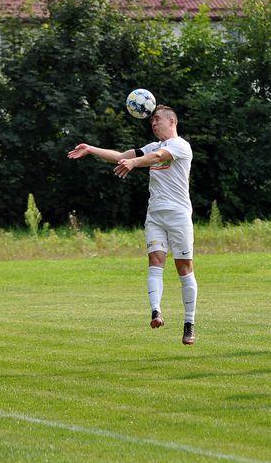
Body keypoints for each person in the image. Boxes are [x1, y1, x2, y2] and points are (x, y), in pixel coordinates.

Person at [68, 105, 199, 345]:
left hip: (178, 215)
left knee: (184, 268)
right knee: (155, 261)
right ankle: (156, 312)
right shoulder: (151, 147)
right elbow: (120, 155)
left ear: (172, 122)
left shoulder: (180, 145)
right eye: (152, 120)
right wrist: (90, 149)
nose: (153, 123)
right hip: (155, 215)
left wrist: (134, 162)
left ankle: (189, 323)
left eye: (157, 119)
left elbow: (157, 157)